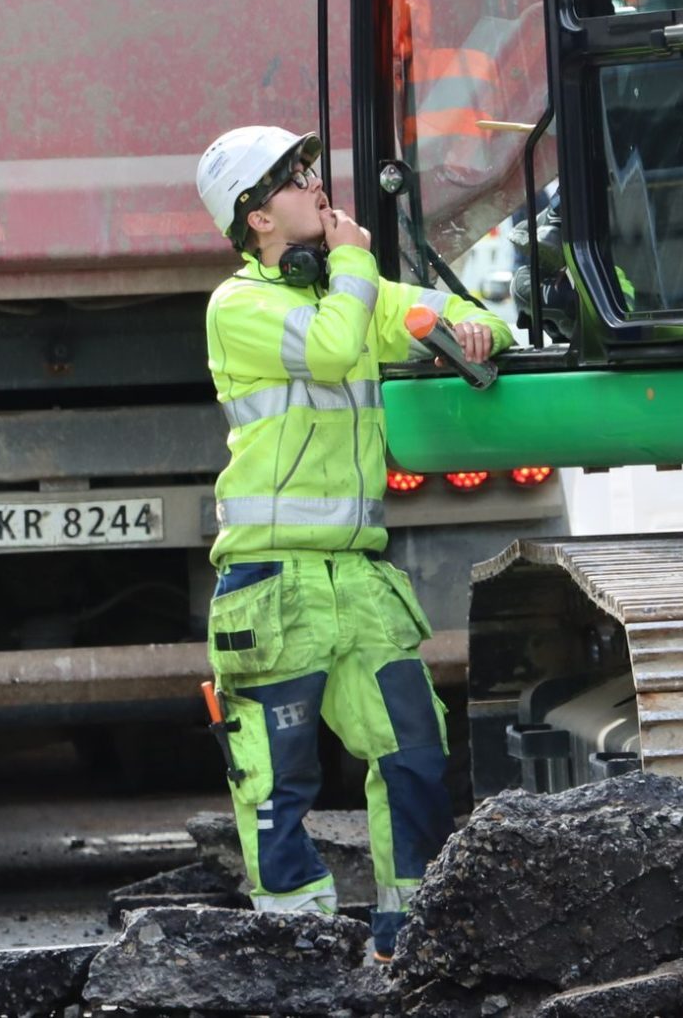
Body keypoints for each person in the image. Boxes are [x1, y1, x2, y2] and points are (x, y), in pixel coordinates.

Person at [191, 125, 509, 960]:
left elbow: (468, 319)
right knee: (277, 780)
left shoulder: (349, 293)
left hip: (359, 578)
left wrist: (476, 333)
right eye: (294, 179)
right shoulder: (242, 307)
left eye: (307, 168)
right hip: (274, 579)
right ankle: (296, 952)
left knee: (413, 754)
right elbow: (335, 349)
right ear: (256, 218)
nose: (316, 185)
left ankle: (411, 938)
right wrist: (356, 262)